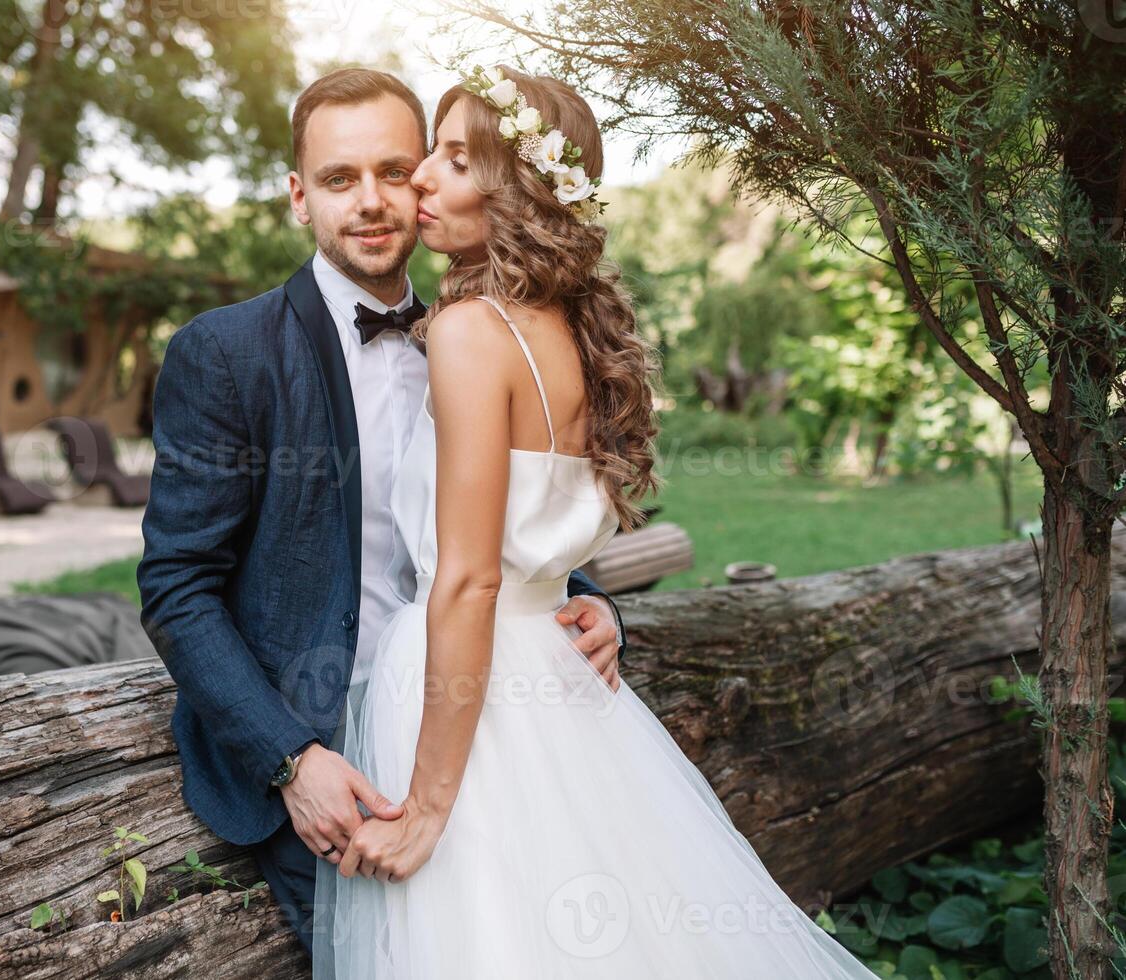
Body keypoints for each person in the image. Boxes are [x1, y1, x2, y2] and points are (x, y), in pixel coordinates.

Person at [309, 65, 882, 978]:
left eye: (455, 160)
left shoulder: (467, 330)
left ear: (518, 191)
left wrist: (426, 804)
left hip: (465, 695)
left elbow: (470, 576)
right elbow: (533, 541)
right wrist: (589, 601)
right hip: (559, 686)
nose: (420, 177)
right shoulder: (571, 332)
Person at [135, 66, 626, 954]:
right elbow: (176, 586)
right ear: (298, 196)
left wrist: (591, 603)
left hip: (485, 732)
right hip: (327, 757)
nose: (371, 201)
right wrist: (288, 757)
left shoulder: (480, 331)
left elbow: (487, 534)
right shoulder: (226, 354)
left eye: (396, 170)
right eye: (338, 179)